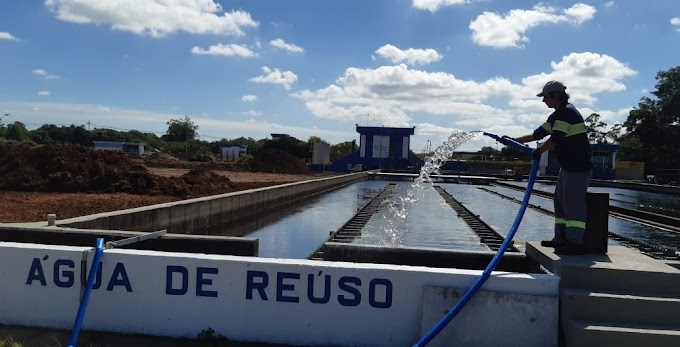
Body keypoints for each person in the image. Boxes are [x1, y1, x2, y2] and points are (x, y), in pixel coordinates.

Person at [511, 80, 593, 255]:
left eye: (545, 97)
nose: (543, 101)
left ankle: (575, 242)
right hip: (568, 167)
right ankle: (561, 238)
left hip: (578, 167)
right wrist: (513, 141)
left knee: (574, 205)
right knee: (560, 202)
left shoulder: (567, 113)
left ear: (555, 95)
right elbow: (537, 134)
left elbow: (556, 139)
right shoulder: (557, 115)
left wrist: (539, 151)